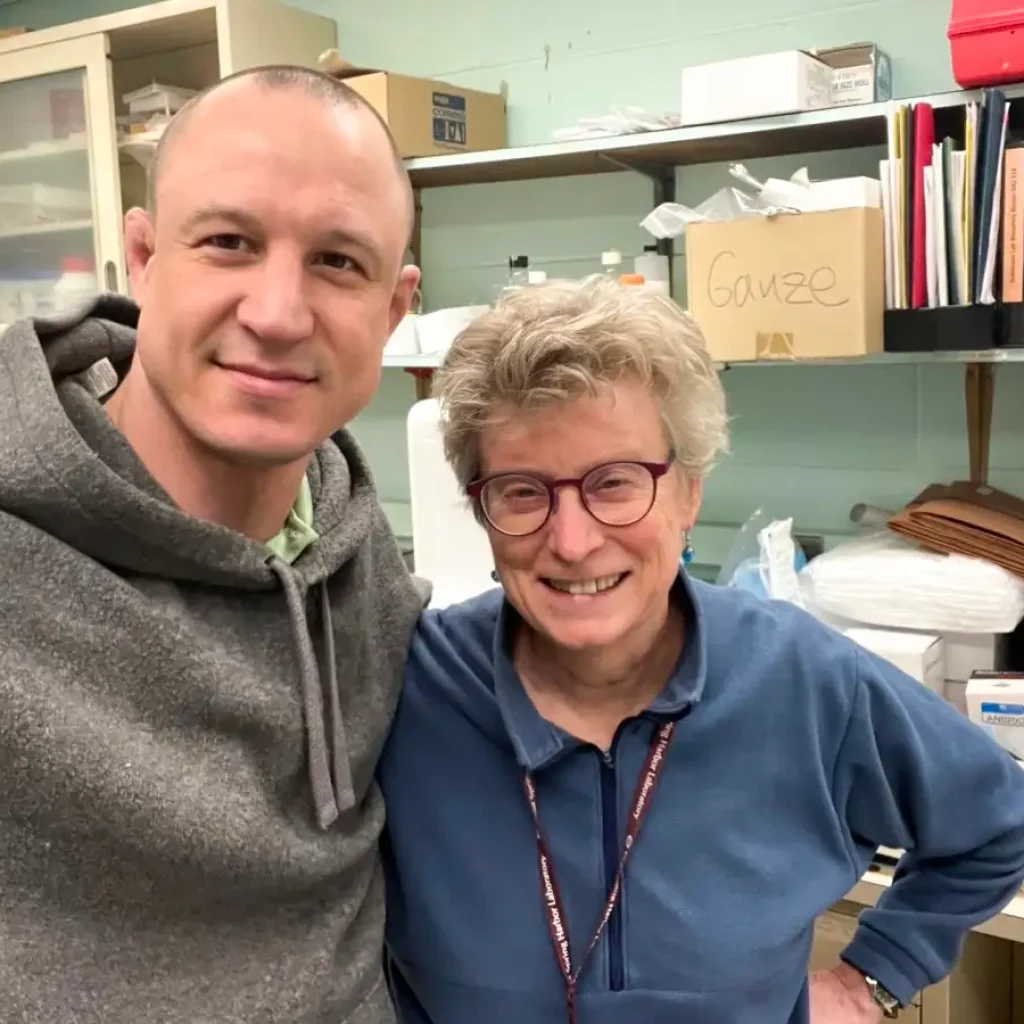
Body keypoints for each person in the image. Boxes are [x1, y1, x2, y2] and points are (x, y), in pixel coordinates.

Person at [379, 275, 1024, 1024]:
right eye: (523, 491)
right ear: (479, 508)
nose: (573, 540)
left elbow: (998, 823)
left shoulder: (802, 681)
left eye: (615, 483)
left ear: (690, 492)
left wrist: (868, 979)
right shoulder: (410, 686)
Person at [0, 67, 425, 1023]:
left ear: (394, 312)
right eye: (229, 242)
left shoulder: (360, 557)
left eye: (338, 262)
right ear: (143, 258)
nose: (277, 314)